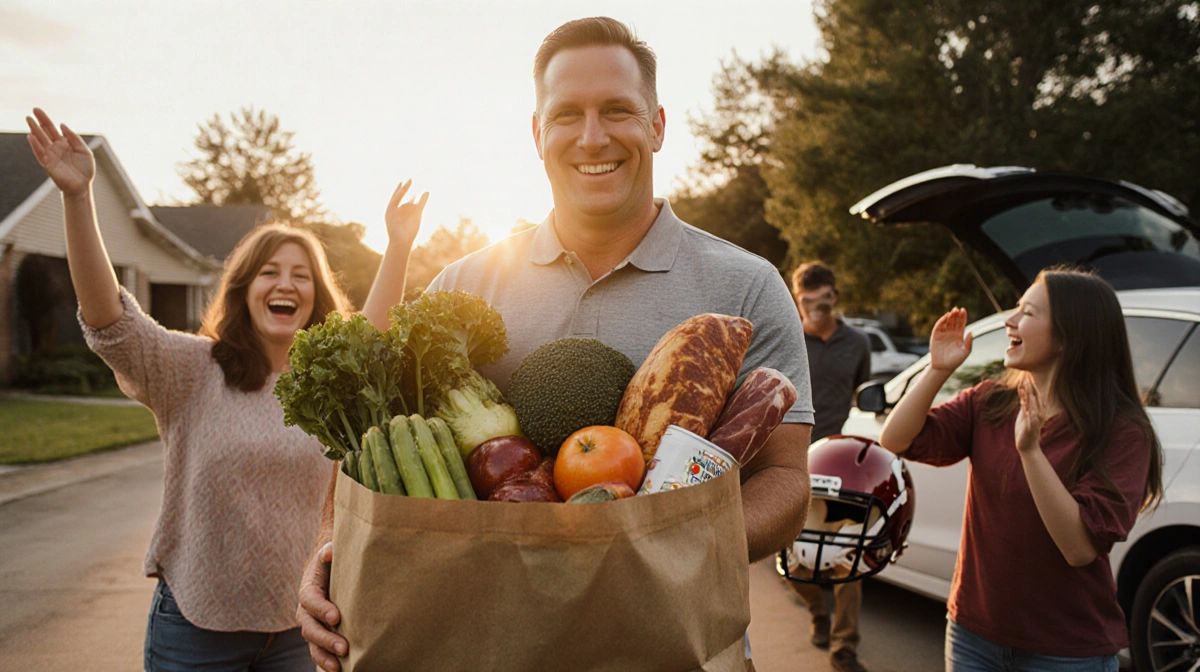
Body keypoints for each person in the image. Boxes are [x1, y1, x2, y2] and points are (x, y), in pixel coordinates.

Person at [295, 17, 816, 672]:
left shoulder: (744, 288)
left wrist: (653, 543)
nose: (593, 136)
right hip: (488, 649)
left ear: (656, 124)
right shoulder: (463, 287)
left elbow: (786, 479)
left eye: (617, 111)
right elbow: (367, 449)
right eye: (567, 114)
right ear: (537, 133)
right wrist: (326, 552)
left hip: (673, 650)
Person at [24, 108, 427, 671]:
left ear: (316, 295)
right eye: (269, 271)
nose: (285, 283)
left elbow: (373, 339)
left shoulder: (330, 391)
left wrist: (399, 246)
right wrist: (77, 197)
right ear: (244, 289)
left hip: (299, 627)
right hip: (195, 626)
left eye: (301, 274)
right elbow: (110, 320)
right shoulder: (190, 369)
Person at [878, 268, 1163, 672]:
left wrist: (1030, 451)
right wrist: (938, 369)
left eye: (1027, 312)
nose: (1009, 320)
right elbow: (897, 439)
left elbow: (1079, 548)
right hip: (972, 635)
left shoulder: (1122, 432)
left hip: (1067, 650)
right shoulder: (990, 401)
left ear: (1069, 335)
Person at [786, 261, 872, 672]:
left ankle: (844, 648)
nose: (814, 309)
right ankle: (818, 612)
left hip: (841, 468)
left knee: (846, 560)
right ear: (797, 299)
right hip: (793, 463)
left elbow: (863, 399)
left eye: (822, 300)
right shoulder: (787, 339)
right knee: (794, 565)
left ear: (834, 296)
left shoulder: (859, 343)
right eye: (806, 301)